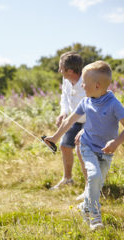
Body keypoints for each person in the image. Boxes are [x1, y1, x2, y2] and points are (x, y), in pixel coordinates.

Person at [44, 61, 124, 230]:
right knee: (93, 177)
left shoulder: (114, 104)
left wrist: (116, 142)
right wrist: (55, 137)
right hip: (86, 146)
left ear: (96, 85)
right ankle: (95, 217)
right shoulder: (86, 101)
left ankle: (83, 207)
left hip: (106, 152)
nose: (82, 84)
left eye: (84, 82)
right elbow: (69, 120)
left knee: (96, 184)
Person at [51, 51, 88, 195]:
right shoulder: (66, 81)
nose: (59, 71)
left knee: (81, 149)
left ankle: (88, 187)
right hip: (73, 119)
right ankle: (67, 179)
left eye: (61, 68)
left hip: (89, 121)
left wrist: (86, 129)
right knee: (65, 146)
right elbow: (64, 98)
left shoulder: (87, 82)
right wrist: (63, 112)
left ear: (70, 71)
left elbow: (94, 107)